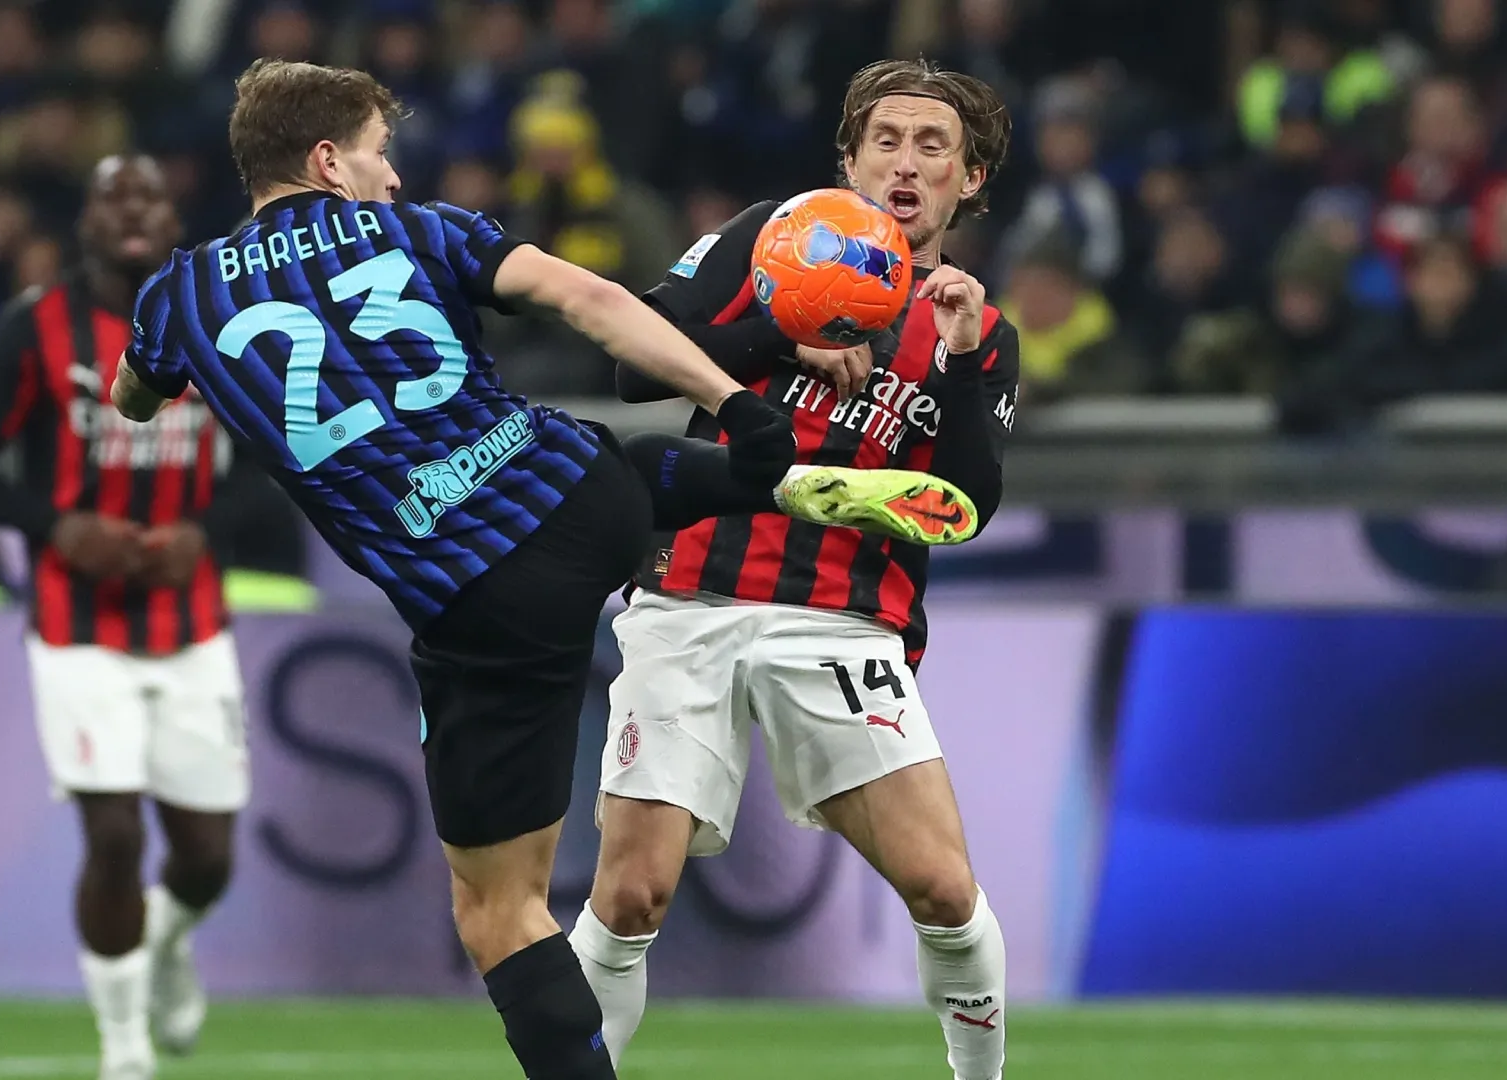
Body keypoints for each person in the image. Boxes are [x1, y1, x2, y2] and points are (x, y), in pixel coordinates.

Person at [109, 59, 972, 1080]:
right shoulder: (420, 229)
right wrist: (737, 403)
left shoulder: (181, 292)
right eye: (381, 156)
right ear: (329, 161)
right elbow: (586, 296)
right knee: (591, 465)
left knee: (498, 912)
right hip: (584, 491)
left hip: (481, 596)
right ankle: (767, 484)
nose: (392, 177)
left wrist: (164, 374)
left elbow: (131, 395)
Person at [573, 58, 1021, 1080]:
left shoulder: (979, 328)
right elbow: (629, 364)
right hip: (688, 594)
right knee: (631, 893)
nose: (905, 164)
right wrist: (782, 329)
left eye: (932, 147)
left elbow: (964, 505)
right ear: (851, 161)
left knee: (944, 892)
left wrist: (951, 364)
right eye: (886, 142)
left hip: (842, 620)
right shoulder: (773, 241)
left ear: (971, 179)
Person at [0, 156, 265, 1080]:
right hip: (75, 625)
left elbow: (287, 457)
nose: (132, 213)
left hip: (191, 622)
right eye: (112, 199)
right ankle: (124, 1052)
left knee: (206, 859)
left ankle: (164, 947)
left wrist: (204, 532)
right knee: (116, 834)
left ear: (177, 218)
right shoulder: (32, 328)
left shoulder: (226, 317)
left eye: (150, 199)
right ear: (82, 221)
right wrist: (59, 528)